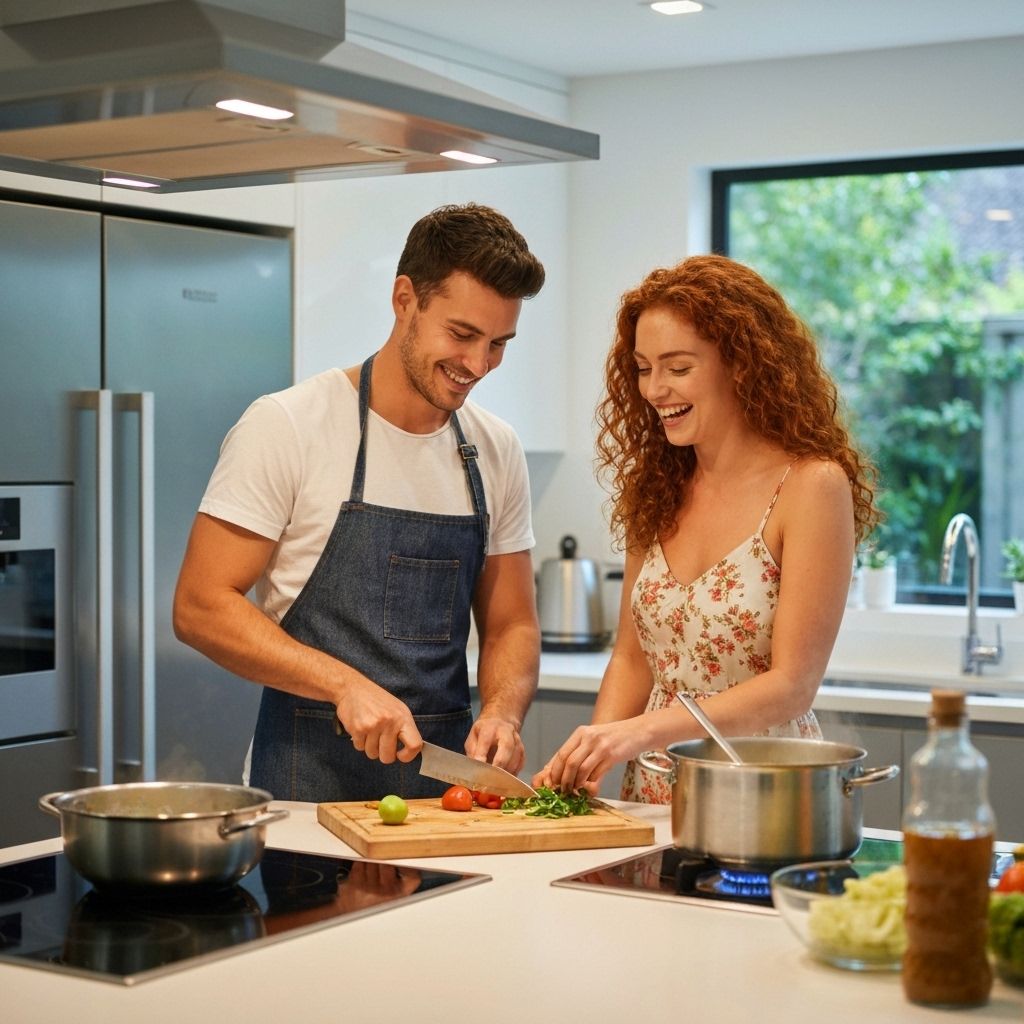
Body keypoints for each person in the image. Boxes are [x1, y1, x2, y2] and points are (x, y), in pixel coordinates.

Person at [173, 203, 544, 803]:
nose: (478, 365)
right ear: (405, 300)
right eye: (462, 334)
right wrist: (342, 684)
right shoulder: (288, 425)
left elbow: (512, 624)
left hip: (443, 799)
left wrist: (503, 711)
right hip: (305, 789)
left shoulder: (494, 449)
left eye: (498, 343)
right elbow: (200, 606)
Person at [535, 254, 878, 802]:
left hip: (761, 789)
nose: (654, 390)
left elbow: (792, 686)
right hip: (653, 786)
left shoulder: (811, 485)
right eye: (643, 368)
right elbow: (632, 658)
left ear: (742, 364)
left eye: (677, 368)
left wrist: (641, 731)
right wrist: (593, 755)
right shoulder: (656, 486)